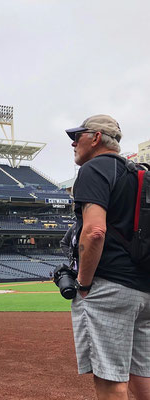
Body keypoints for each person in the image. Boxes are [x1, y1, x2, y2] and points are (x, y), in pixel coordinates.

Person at [65, 114, 150, 399]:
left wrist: (84, 284)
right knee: (141, 374)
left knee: (111, 378)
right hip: (144, 287)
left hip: (110, 286)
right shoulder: (140, 172)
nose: (74, 143)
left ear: (96, 138)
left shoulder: (94, 169)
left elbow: (94, 231)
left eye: (78, 136)